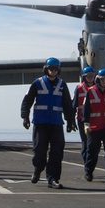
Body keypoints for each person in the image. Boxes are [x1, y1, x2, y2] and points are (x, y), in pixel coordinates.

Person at [20, 57, 74, 189]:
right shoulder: (37, 83)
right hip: (40, 123)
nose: (53, 71)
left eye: (55, 69)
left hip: (56, 123)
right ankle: (38, 169)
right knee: (39, 151)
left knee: (57, 152)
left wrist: (70, 121)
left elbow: (67, 104)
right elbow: (27, 100)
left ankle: (53, 179)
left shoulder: (62, 85)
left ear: (59, 70)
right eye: (51, 68)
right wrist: (25, 117)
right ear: (46, 69)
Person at [72, 66, 96, 164]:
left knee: (93, 144)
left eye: (92, 75)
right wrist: (72, 121)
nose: (90, 78)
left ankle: (90, 163)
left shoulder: (97, 88)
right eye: (88, 76)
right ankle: (87, 164)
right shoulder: (79, 88)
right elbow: (74, 105)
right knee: (85, 143)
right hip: (82, 119)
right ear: (84, 77)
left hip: (94, 120)